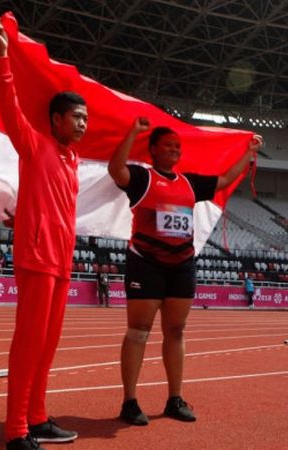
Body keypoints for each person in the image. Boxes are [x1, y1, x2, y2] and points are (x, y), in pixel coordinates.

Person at [109, 118, 260, 426]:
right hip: (146, 262)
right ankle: (129, 401)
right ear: (153, 150)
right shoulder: (142, 178)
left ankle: (174, 398)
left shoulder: (189, 183)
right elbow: (116, 170)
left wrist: (249, 153)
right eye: (168, 145)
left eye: (178, 146)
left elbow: (226, 178)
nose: (175, 150)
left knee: (176, 331)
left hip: (182, 265)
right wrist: (133, 132)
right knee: (139, 332)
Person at [0, 17, 84, 450]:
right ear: (56, 119)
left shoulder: (72, 161)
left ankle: (38, 416)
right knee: (29, 343)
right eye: (76, 118)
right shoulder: (35, 144)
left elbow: (48, 201)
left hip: (62, 258)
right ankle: (16, 431)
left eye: (85, 118)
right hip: (36, 256)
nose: (82, 124)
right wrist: (4, 56)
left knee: (48, 344)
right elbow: (9, 107)